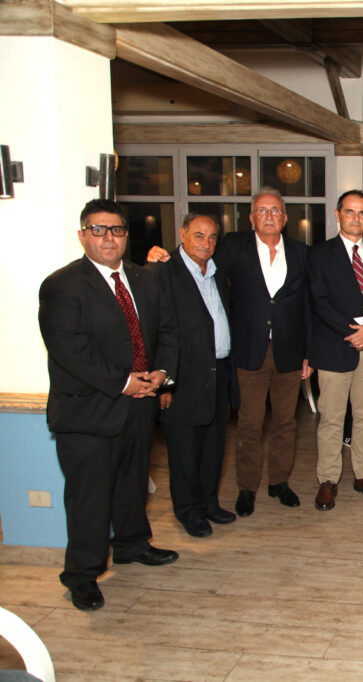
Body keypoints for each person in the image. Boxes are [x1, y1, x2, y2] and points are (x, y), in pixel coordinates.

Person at [39, 199, 179, 612]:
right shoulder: (62, 286)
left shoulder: (143, 279)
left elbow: (166, 331)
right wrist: (123, 383)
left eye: (116, 230)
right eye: (98, 230)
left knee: (132, 483)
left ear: (125, 235)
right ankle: (82, 575)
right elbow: (70, 350)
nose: (108, 238)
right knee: (90, 499)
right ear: (82, 235)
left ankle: (132, 544)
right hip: (88, 412)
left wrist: (161, 373)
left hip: (140, 406)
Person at [147, 187, 312, 516]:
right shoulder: (232, 247)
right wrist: (160, 255)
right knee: (250, 425)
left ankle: (279, 482)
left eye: (275, 211)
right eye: (262, 211)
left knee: (285, 423)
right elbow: (194, 258)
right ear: (251, 218)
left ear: (285, 218)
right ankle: (247, 488)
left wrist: (309, 352)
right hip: (248, 351)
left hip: (290, 352)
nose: (269, 216)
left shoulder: (302, 253)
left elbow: (308, 304)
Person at [308, 190, 363, 510]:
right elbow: (319, 301)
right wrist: (353, 333)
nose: (356, 218)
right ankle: (328, 479)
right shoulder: (319, 254)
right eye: (350, 212)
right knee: (331, 418)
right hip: (335, 347)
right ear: (337, 215)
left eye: (362, 213)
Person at [151, 212, 235, 538]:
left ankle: (208, 502)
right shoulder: (163, 271)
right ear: (182, 234)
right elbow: (155, 331)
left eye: (212, 237)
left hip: (217, 372)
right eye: (199, 235)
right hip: (182, 377)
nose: (206, 243)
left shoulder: (216, 271)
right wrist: (164, 383)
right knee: (184, 450)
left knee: (213, 446)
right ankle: (187, 510)